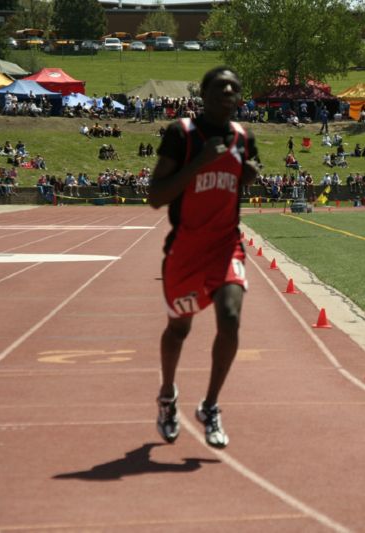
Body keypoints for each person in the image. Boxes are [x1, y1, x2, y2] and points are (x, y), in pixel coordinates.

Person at [149, 66, 260, 449]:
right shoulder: (183, 134)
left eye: (234, 86)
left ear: (239, 98)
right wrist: (198, 164)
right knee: (179, 329)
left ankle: (210, 405)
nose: (227, 90)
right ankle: (167, 396)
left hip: (226, 246)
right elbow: (155, 196)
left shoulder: (244, 138)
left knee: (230, 319)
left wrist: (248, 177)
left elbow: (240, 181)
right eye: (219, 86)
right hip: (185, 251)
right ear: (205, 94)